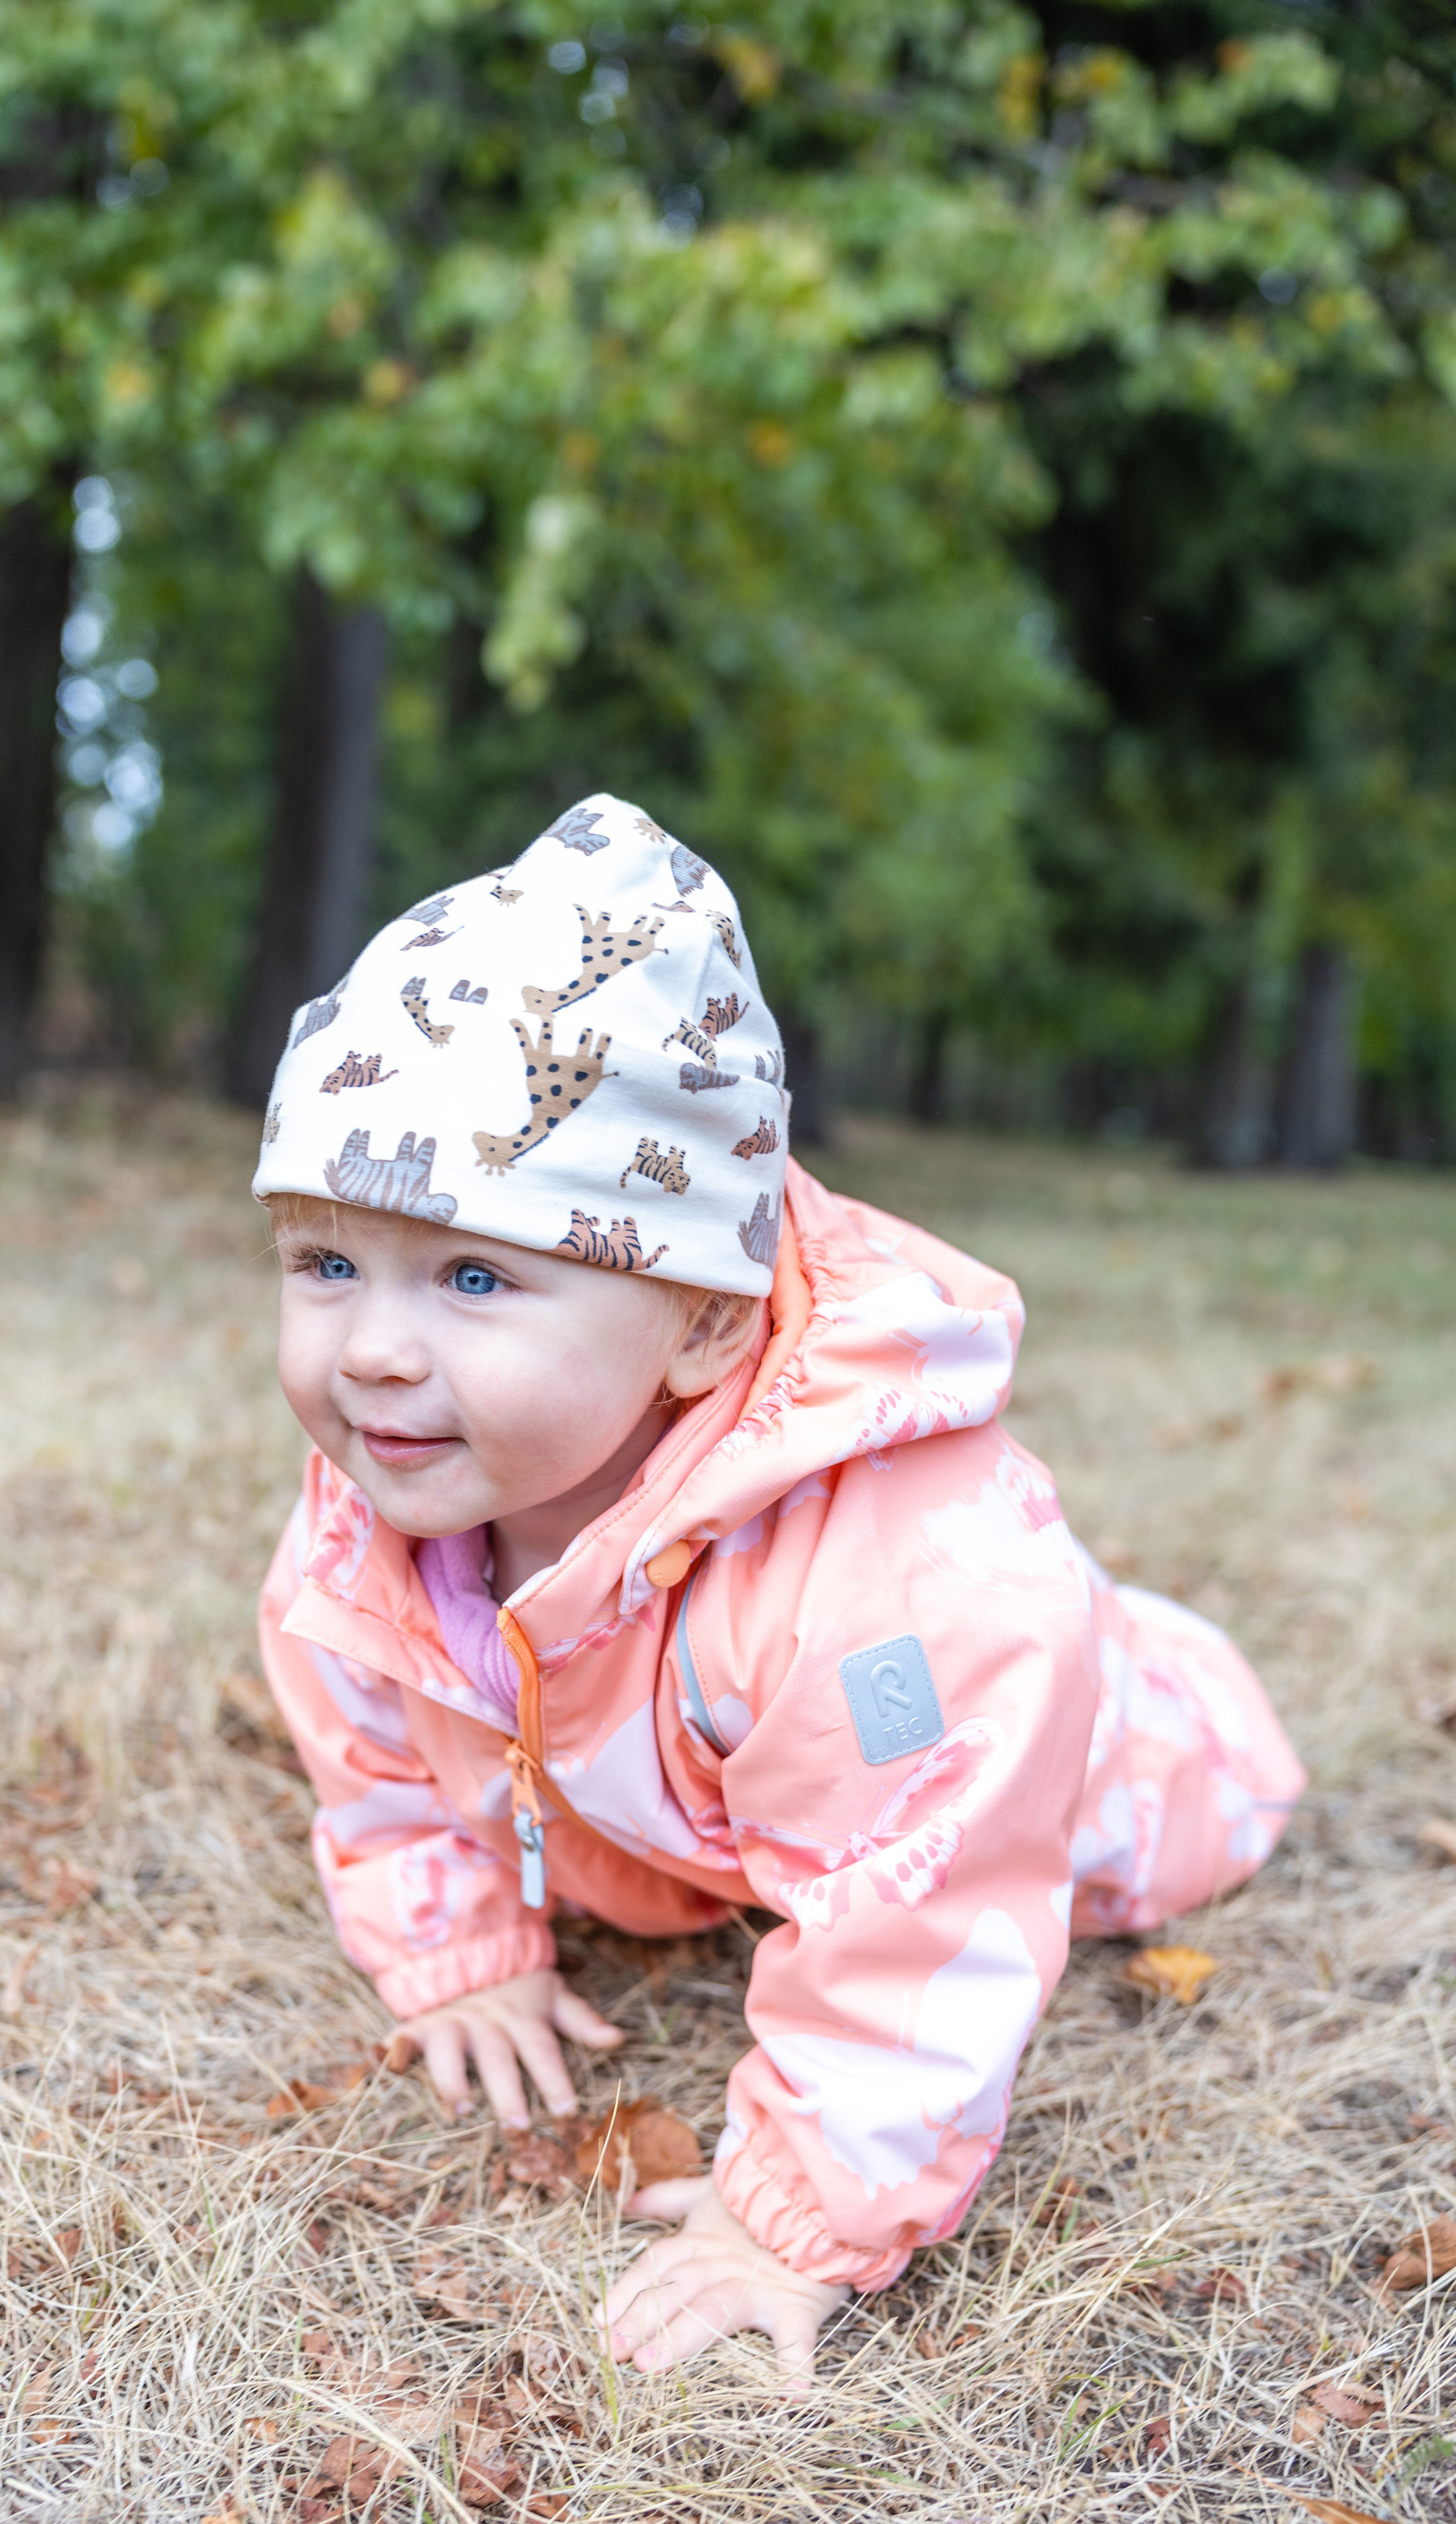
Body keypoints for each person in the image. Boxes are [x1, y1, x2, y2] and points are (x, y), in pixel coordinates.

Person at [252, 796, 1304, 2392]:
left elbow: (920, 1910)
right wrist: (459, 1944)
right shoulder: (384, 1507)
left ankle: (1150, 1675)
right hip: (726, 1780)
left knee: (1072, 1774)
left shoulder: (889, 1593)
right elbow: (374, 1740)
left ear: (693, 1328)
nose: (374, 1349)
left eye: (473, 1276)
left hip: (1051, 1742)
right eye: (326, 1264)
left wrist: (791, 2216)